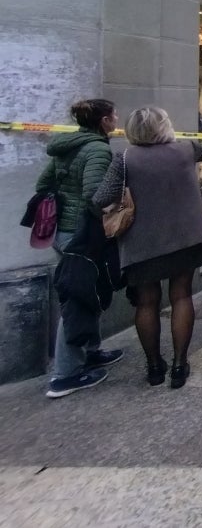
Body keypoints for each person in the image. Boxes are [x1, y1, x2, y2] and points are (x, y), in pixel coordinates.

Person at [93, 107, 202, 389]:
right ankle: (180, 365)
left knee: (147, 302)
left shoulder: (125, 158)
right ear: (165, 127)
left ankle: (154, 366)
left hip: (142, 242)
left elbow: (100, 198)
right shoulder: (186, 149)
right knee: (181, 296)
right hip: (186, 237)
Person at [37, 99, 123, 398]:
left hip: (63, 229)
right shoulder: (98, 149)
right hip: (81, 234)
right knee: (77, 300)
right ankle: (65, 374)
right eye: (113, 115)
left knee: (89, 291)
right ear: (104, 121)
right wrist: (115, 212)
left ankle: (91, 351)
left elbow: (43, 184)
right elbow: (95, 195)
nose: (117, 118)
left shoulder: (67, 146)